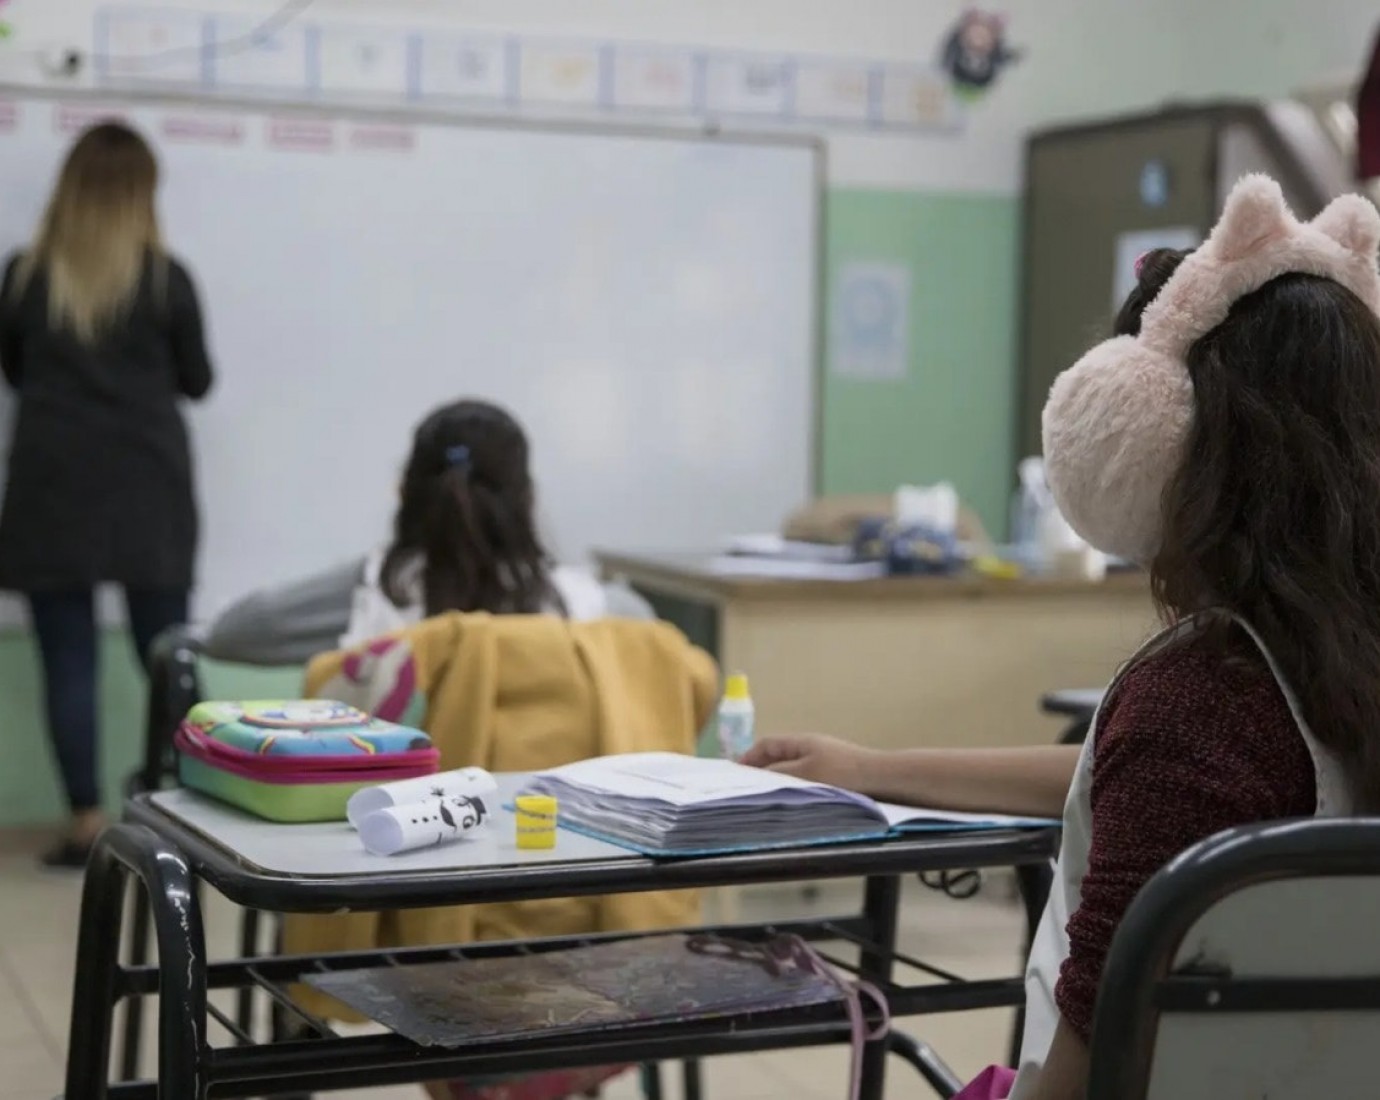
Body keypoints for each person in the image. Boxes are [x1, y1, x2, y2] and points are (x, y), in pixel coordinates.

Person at [745, 175, 1380, 1100]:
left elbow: (1090, 1072)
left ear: (1154, 446)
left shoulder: (1195, 706)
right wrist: (871, 767)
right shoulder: (1315, 674)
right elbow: (1133, 780)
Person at [0, 122, 214, 868]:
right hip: (148, 485)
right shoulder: (166, 280)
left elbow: (15, 371)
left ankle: (85, 823)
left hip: (51, 486)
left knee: (68, 661)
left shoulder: (25, 277)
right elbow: (197, 380)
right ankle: (196, 816)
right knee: (170, 660)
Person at [204, 398, 643, 665]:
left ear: (405, 493)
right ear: (527, 499)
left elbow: (231, 634)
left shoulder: (369, 596)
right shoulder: (601, 610)